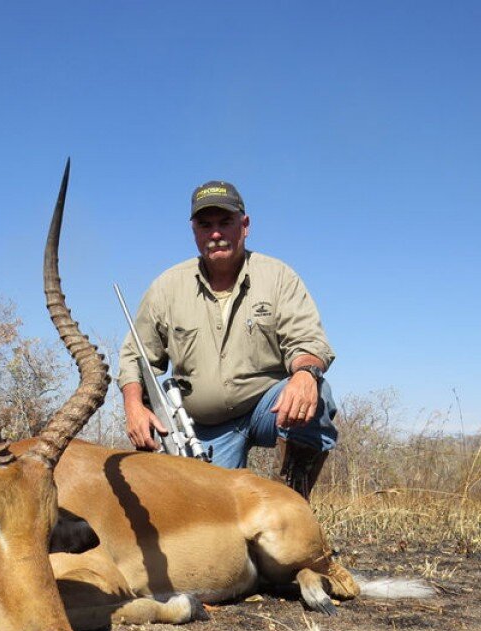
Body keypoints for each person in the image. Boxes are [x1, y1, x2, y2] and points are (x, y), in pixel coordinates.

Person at [117, 180, 338, 498]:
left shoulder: (278, 277)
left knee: (318, 392)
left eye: (225, 223)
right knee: (209, 513)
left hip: (266, 408)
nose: (216, 234)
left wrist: (304, 374)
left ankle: (291, 502)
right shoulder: (167, 287)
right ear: (194, 231)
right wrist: (134, 407)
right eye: (205, 226)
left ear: (244, 225)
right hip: (206, 428)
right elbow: (134, 358)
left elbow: (308, 342)